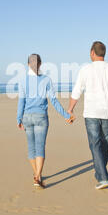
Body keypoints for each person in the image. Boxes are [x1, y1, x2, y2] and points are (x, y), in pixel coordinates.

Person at [68, 41, 108, 190]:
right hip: (107, 112)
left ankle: (103, 177)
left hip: (92, 113)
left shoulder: (85, 69)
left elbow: (76, 92)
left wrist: (70, 109)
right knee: (104, 144)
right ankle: (100, 173)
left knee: (95, 145)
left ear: (92, 53)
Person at [17, 54, 75, 188]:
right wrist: (66, 115)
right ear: (40, 64)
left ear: (27, 65)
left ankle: (37, 175)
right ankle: (38, 176)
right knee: (40, 147)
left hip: (27, 116)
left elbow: (21, 101)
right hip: (41, 116)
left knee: (31, 148)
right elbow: (53, 100)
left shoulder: (22, 80)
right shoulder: (46, 80)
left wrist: (18, 118)